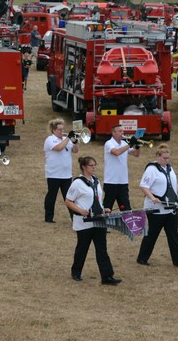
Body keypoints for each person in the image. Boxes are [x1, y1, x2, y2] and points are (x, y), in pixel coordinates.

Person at [65, 156, 121, 285]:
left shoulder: (96, 181)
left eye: (95, 165)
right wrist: (80, 210)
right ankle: (76, 272)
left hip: (98, 220)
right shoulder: (77, 183)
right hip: (84, 222)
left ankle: (107, 276)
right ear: (84, 167)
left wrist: (104, 209)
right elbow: (68, 201)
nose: (94, 167)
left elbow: (97, 200)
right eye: (91, 165)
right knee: (82, 248)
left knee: (102, 249)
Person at [137, 144, 178, 268]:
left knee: (173, 235)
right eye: (164, 158)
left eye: (168, 158)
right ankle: (142, 258)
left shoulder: (169, 168)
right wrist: (152, 197)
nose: (166, 160)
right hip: (156, 209)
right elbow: (144, 186)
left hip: (170, 208)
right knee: (152, 234)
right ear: (158, 156)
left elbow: (173, 183)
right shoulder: (151, 169)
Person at [43, 118, 79, 222]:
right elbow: (59, 148)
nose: (61, 131)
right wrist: (68, 138)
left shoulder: (66, 139)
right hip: (53, 174)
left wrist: (75, 142)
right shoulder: (50, 140)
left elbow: (75, 151)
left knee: (69, 197)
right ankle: (48, 217)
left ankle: (75, 218)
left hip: (66, 174)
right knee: (52, 196)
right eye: (59, 129)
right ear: (54, 130)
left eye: (63, 129)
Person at [103, 124, 140, 212]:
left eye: (122, 131)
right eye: (120, 131)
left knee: (126, 209)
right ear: (113, 133)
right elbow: (116, 152)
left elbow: (136, 154)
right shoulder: (109, 143)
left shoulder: (124, 143)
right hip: (111, 181)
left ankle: (127, 225)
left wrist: (137, 146)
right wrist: (130, 144)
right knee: (107, 208)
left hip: (123, 182)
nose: (122, 133)